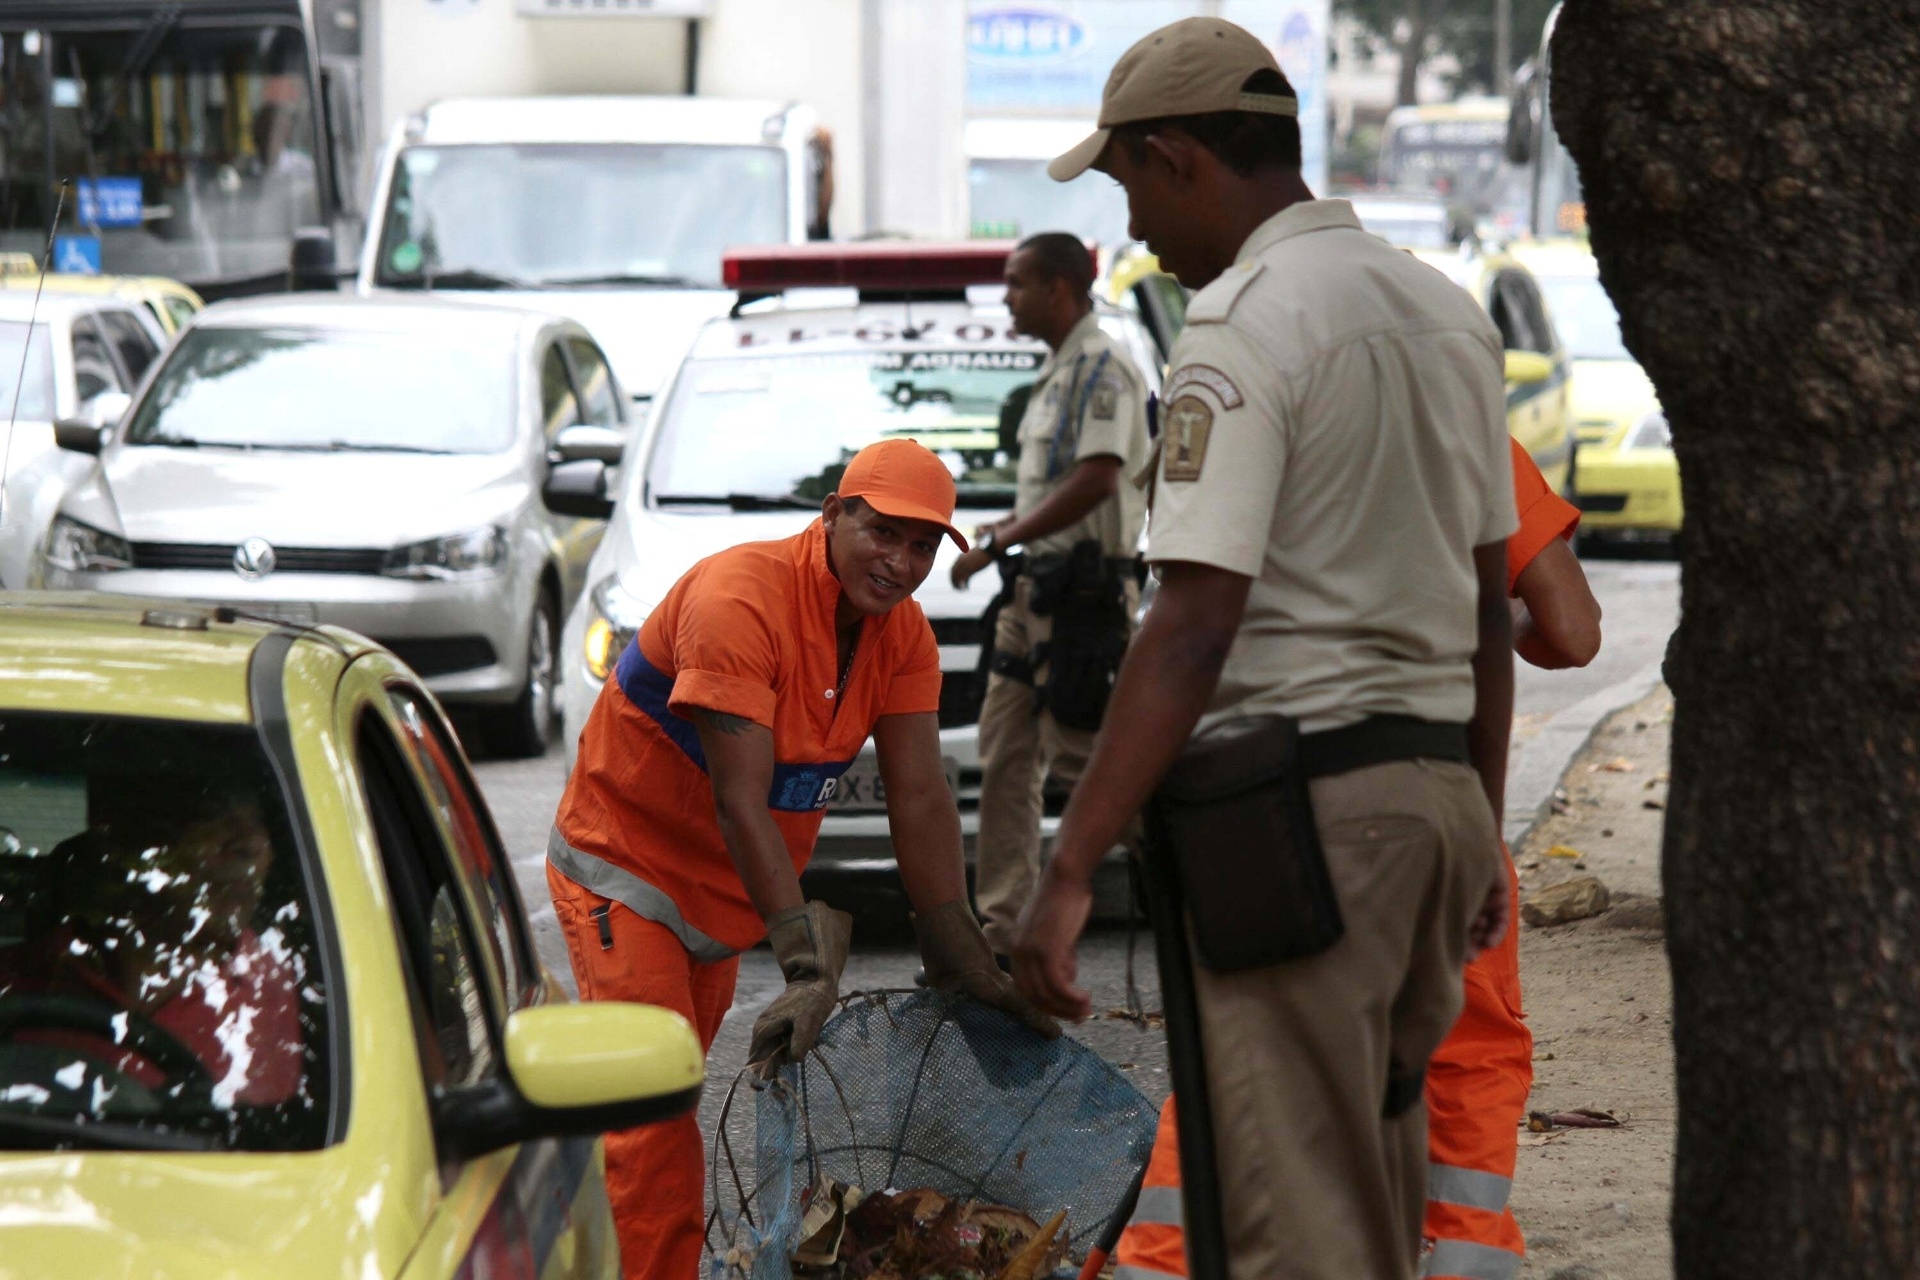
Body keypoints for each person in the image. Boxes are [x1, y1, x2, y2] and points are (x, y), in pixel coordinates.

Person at [1012, 17, 1515, 1279]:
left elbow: (1190, 622)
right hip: (1433, 806)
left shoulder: (1240, 321)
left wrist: (1069, 864)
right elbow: (1487, 608)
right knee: (1371, 1200)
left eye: (1127, 183)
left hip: (1306, 829)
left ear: (1177, 155)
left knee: (1292, 1227)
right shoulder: (1442, 312)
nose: (1130, 228)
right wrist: (1483, 824)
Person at [547, 438, 1058, 1280]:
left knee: (642, 1104)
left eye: (923, 546)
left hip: (722, 901)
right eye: (882, 533)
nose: (900, 563)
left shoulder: (903, 637)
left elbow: (921, 796)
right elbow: (739, 799)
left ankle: (563, 1239)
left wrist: (956, 945)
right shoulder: (738, 599)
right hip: (626, 871)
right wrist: (801, 961)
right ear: (832, 515)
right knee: (655, 1113)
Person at [1107, 438, 1602, 1280]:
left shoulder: (1258, 429)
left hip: (1271, 806)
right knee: (1463, 1060)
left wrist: (1106, 828)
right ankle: (1460, 1255)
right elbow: (1573, 632)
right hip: (1432, 801)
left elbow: (1179, 637)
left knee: (1245, 1054)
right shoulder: (1468, 436)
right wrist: (1489, 616)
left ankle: (1164, 1261)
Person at [949, 231, 1151, 961]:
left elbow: (1097, 479)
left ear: (1059, 289)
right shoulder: (1063, 367)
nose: (1006, 297)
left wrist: (1003, 541)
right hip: (1034, 596)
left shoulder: (1103, 367)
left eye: (1017, 282)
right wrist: (1006, 531)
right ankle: (1001, 940)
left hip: (1083, 602)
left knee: (1081, 756)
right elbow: (1061, 485)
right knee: (1005, 753)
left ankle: (1192, 873)